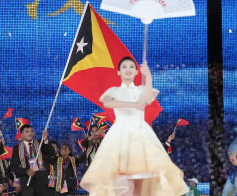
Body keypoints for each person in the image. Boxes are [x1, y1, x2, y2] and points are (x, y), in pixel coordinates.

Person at [80, 57, 188, 196]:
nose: (128, 69)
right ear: (118, 72)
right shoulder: (114, 91)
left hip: (140, 134)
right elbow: (108, 103)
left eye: (131, 67)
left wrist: (148, 75)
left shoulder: (141, 90)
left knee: (141, 181)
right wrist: (133, 104)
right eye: (124, 67)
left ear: (137, 71)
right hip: (120, 134)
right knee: (122, 180)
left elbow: (149, 98)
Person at [10, 124, 55, 196]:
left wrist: (45, 140)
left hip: (42, 181)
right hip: (27, 181)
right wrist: (26, 171)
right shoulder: (17, 148)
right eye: (27, 131)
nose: (30, 133)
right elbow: (13, 166)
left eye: (31, 131)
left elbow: (52, 153)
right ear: (22, 134)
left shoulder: (40, 143)